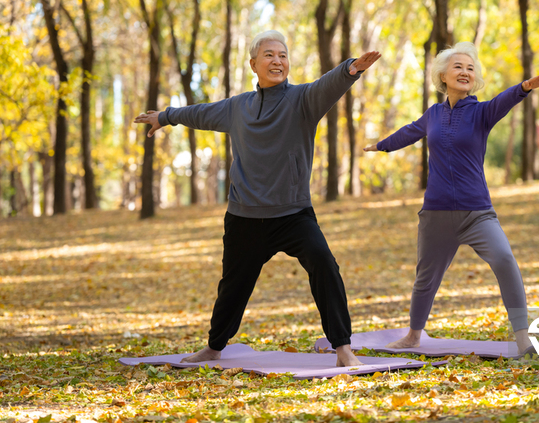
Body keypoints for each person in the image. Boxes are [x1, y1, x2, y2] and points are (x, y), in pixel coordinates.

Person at [135, 30, 381, 366]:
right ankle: (213, 347)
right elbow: (201, 113)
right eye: (269, 55)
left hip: (293, 215)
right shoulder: (238, 107)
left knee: (324, 265)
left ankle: (343, 349)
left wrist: (351, 69)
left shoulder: (303, 101)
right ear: (254, 64)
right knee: (232, 286)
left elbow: (328, 86)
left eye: (282, 55)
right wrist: (164, 117)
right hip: (245, 217)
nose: (277, 60)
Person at [364, 42, 539, 353]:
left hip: (477, 212)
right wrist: (381, 146)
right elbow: (409, 132)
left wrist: (524, 88)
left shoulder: (481, 112)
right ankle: (413, 336)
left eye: (470, 68)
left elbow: (504, 101)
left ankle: (523, 339)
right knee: (425, 278)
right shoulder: (433, 114)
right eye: (458, 67)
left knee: (504, 259)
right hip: (436, 214)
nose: (465, 71)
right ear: (443, 76)